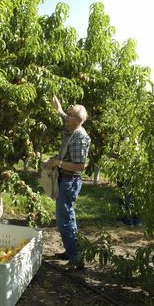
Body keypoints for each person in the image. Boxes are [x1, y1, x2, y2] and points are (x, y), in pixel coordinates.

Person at [46, 95, 91, 272]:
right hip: (65, 180)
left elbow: (80, 165)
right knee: (65, 218)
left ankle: (76, 259)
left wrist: (58, 163)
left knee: (65, 220)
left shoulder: (79, 137)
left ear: (78, 120)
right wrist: (59, 110)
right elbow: (67, 118)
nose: (67, 117)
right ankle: (71, 251)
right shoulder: (73, 128)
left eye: (70, 115)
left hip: (69, 181)